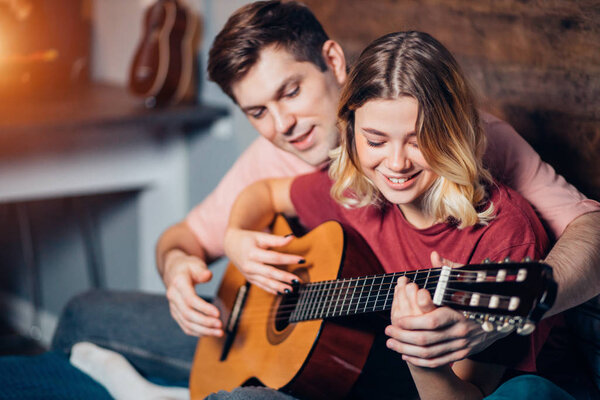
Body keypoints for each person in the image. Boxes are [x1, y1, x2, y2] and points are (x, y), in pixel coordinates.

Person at [52, 0, 599, 386]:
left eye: (291, 91)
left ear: (333, 63)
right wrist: (203, 255)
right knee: (80, 314)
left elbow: (586, 230)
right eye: (258, 112)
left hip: (369, 352)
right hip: (261, 325)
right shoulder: (293, 167)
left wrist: (512, 308)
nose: (283, 124)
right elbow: (185, 238)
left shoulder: (465, 143)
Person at [219, 30, 558, 399]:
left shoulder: (506, 233)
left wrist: (423, 360)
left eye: (418, 140)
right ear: (350, 134)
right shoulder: (356, 192)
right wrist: (235, 235)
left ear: (453, 132)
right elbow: (264, 193)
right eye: (376, 141)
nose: (396, 164)